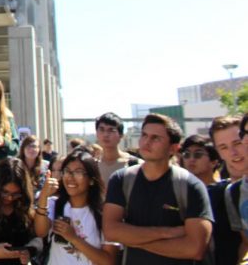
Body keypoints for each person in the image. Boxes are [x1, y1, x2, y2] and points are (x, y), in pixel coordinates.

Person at [103, 113, 213, 264]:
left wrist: (133, 239)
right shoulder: (121, 180)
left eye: (156, 138)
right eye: (144, 135)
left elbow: (195, 249)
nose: (147, 142)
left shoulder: (190, 186)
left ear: (173, 148)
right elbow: (111, 231)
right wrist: (167, 232)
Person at [34, 150, 117, 265]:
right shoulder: (54, 205)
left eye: (78, 172)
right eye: (67, 171)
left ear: (92, 180)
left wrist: (73, 238)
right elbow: (40, 232)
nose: (70, 177)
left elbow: (108, 261)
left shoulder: (104, 213)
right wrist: (43, 196)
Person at [208, 115, 248, 264]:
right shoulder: (233, 193)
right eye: (223, 147)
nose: (233, 153)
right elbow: (245, 243)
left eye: (237, 143)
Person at [93, 112, 140, 186]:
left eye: (111, 130)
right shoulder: (93, 166)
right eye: (101, 129)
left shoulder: (136, 165)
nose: (105, 134)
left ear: (121, 135)